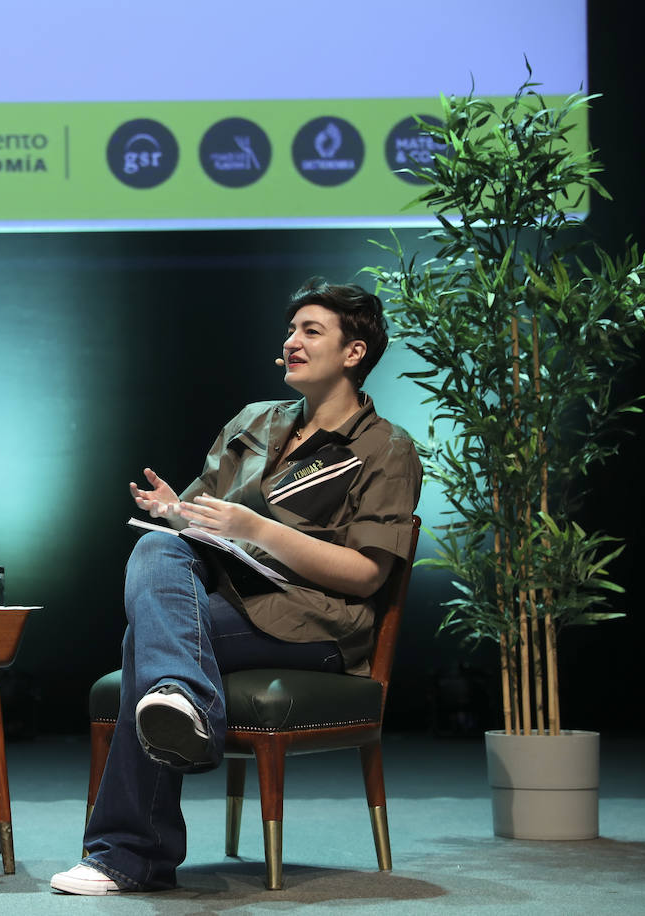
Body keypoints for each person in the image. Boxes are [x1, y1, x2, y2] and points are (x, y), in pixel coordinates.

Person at [51, 279, 422, 894]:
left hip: (319, 623)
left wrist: (259, 530)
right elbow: (204, 520)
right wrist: (178, 512)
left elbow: (367, 574)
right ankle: (180, 705)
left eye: (311, 331)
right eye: (291, 331)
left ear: (353, 353)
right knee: (156, 545)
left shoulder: (386, 448)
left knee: (146, 645)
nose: (291, 342)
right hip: (233, 598)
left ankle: (130, 851)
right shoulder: (255, 421)